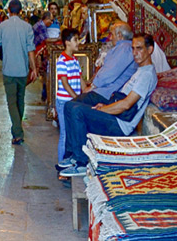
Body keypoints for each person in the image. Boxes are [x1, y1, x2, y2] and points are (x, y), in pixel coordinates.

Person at [59, 34, 158, 176]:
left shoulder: (147, 74)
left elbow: (126, 105)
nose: (135, 53)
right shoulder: (140, 71)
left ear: (150, 50)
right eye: (133, 49)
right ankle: (74, 155)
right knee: (70, 106)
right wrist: (103, 106)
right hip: (116, 115)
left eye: (139, 49)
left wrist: (103, 110)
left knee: (77, 110)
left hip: (121, 124)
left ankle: (81, 162)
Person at [0, 0, 38, 144]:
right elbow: (31, 50)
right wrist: (34, 68)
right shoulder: (27, 27)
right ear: (21, 11)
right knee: (20, 100)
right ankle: (17, 129)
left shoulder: (2, 26)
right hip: (22, 70)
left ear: (9, 11)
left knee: (11, 102)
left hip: (9, 70)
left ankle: (17, 132)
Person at [54, 28, 85, 166]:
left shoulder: (74, 60)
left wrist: (87, 93)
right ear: (67, 42)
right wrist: (76, 98)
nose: (78, 42)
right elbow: (65, 83)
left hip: (73, 101)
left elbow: (80, 79)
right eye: (75, 40)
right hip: (64, 101)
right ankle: (62, 164)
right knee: (65, 134)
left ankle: (70, 162)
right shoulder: (62, 60)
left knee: (73, 133)